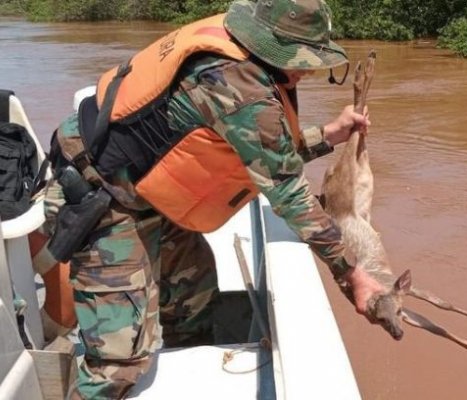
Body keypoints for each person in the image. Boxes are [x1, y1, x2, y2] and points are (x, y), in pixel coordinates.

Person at [39, 0, 385, 398]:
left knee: (193, 290)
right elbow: (288, 190)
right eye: (304, 59)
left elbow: (261, 148)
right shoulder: (237, 82)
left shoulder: (237, 51)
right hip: (101, 198)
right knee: (118, 361)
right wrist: (353, 276)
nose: (306, 71)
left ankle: (179, 377)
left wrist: (329, 133)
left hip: (145, 188)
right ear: (276, 49)